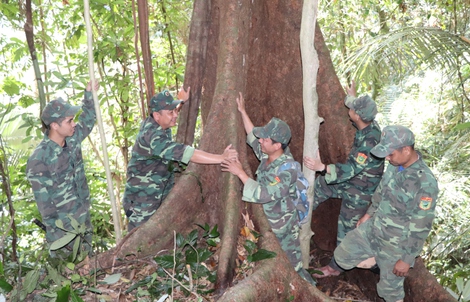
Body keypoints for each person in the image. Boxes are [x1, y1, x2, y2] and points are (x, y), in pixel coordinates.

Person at [333, 125, 439, 302]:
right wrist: (368, 214)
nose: (388, 158)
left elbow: (421, 226)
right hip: (374, 229)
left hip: (395, 245)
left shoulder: (425, 183)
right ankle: (376, 262)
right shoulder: (394, 165)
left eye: (391, 154)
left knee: (389, 294)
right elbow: (380, 192)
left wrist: (406, 259)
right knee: (341, 256)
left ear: (406, 150)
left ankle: (385, 265)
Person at [221, 92, 315, 285]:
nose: (261, 141)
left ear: (278, 145)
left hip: (283, 229)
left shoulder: (286, 169)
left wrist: (240, 172)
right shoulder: (267, 154)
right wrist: (242, 111)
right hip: (268, 223)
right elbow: (252, 136)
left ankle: (310, 291)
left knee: (294, 269)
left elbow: (266, 194)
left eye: (265, 140)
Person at [122, 87, 238, 231]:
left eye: (175, 110)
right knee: (138, 243)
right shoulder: (153, 137)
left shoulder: (157, 122)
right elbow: (189, 154)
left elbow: (170, 114)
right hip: (141, 202)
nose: (175, 115)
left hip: (157, 195)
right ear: (157, 116)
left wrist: (181, 102)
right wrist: (221, 158)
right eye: (171, 112)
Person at [304, 81, 384, 278]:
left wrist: (322, 167)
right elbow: (355, 107)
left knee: (347, 230)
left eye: (354, 108)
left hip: (361, 190)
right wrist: (351, 98)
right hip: (351, 181)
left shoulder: (370, 141)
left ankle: (335, 268)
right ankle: (299, 217)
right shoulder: (369, 124)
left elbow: (352, 169)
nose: (351, 107)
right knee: (321, 186)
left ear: (358, 116)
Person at [27, 80, 99, 258]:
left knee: (88, 266)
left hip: (83, 217)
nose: (74, 124)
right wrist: (56, 236)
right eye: (69, 121)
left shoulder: (72, 139)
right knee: (68, 276)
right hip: (63, 230)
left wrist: (88, 94)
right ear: (54, 125)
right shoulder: (39, 159)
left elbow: (89, 118)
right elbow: (45, 206)